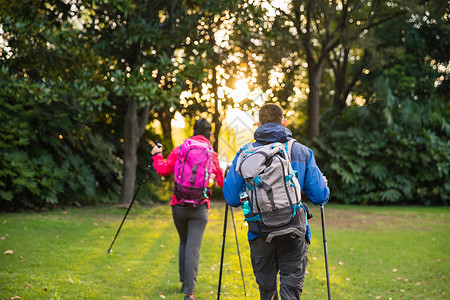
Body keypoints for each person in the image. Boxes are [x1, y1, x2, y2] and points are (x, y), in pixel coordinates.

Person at [223, 103, 329, 300]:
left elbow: (231, 198)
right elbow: (320, 196)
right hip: (294, 232)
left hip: (260, 233)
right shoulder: (301, 151)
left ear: (258, 124)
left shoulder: (245, 153)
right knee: (291, 292)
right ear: (284, 122)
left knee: (267, 292)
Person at [151, 118, 224, 300]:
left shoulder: (181, 149)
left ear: (193, 130)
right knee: (194, 247)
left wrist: (156, 155)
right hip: (200, 207)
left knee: (184, 241)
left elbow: (163, 170)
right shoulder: (211, 154)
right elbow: (222, 182)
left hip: (179, 204)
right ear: (209, 134)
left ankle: (184, 281)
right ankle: (189, 293)